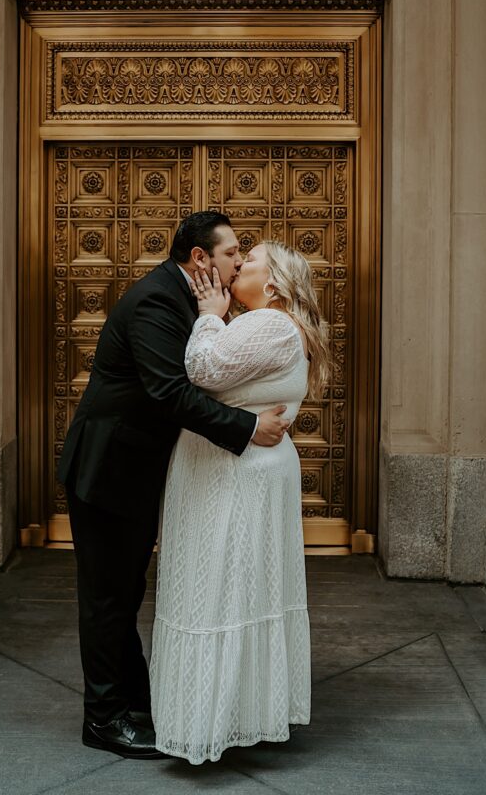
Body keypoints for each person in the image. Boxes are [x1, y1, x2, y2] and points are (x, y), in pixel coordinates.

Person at [57, 212, 291, 759]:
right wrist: (249, 427)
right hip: (108, 469)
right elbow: (169, 392)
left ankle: (135, 700)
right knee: (107, 599)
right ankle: (104, 719)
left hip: (134, 471)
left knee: (124, 592)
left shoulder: (196, 299)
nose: (239, 260)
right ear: (200, 259)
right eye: (233, 252)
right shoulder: (158, 300)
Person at [149, 240, 331, 764]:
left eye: (248, 259)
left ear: (273, 282)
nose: (235, 266)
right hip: (242, 465)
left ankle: (212, 722)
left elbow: (202, 371)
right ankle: (233, 714)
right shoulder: (270, 325)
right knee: (241, 589)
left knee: (221, 589)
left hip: (234, 474)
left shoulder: (268, 323)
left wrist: (209, 317)